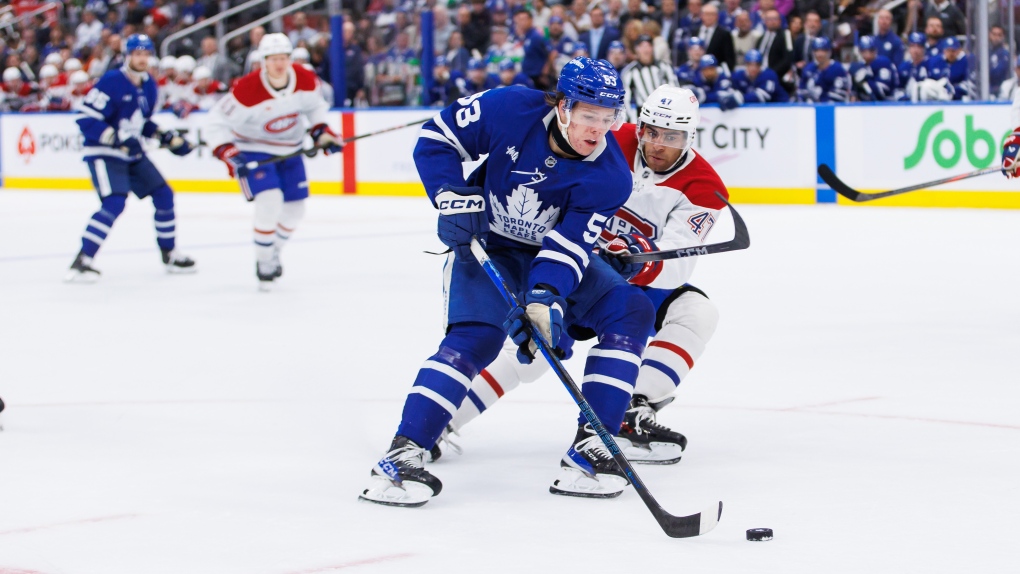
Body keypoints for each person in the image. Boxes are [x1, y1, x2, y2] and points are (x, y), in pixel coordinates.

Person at [359, 58, 655, 506]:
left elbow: (567, 248)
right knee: (475, 341)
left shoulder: (611, 175)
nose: (598, 129)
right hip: (489, 244)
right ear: (562, 106)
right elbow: (437, 138)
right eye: (588, 115)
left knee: (630, 311)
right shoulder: (508, 108)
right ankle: (405, 452)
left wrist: (545, 300)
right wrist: (451, 197)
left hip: (546, 254)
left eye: (608, 117)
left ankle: (595, 446)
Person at [444, 85, 727, 466]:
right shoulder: (608, 140)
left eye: (671, 137)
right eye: (651, 131)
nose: (657, 144)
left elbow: (677, 264)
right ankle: (441, 422)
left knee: (696, 311)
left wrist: (641, 262)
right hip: (572, 266)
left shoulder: (704, 187)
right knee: (533, 350)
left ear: (690, 137)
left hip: (635, 282)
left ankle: (631, 410)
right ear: (639, 125)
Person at [204, 33, 342, 288]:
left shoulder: (305, 79)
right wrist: (228, 152)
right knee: (270, 201)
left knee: (295, 209)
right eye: (273, 59)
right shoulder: (247, 89)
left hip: (290, 149)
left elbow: (315, 108)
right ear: (263, 61)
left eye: (283, 58)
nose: (279, 64)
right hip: (253, 149)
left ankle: (273, 251)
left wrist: (322, 132)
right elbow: (214, 124)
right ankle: (264, 260)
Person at [65, 34, 195, 282]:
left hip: (132, 154)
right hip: (104, 153)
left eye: (146, 54)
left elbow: (140, 123)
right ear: (127, 56)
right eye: (137, 54)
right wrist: (115, 138)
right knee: (114, 202)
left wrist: (165, 136)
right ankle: (83, 260)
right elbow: (86, 119)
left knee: (164, 194)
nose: (142, 59)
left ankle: (169, 254)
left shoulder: (149, 85)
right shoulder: (113, 80)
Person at [621, 35, 679, 121]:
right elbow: (625, 98)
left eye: (648, 46)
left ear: (652, 48)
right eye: (642, 46)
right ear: (637, 49)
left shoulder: (664, 67)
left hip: (665, 111)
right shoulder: (630, 71)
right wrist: (629, 118)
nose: (646, 49)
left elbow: (675, 89)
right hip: (642, 113)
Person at [798, 36, 848, 102]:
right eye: (816, 50)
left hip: (831, 108)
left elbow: (840, 95)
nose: (819, 54)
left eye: (823, 50)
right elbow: (802, 91)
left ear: (829, 52)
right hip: (811, 107)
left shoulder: (838, 69)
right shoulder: (808, 69)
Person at [849, 35, 897, 101]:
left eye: (871, 50)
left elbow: (883, 92)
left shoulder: (883, 63)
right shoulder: (858, 67)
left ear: (875, 50)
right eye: (864, 51)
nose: (868, 54)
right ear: (860, 52)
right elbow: (853, 93)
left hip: (887, 104)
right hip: (865, 105)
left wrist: (867, 80)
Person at [990, 26, 1011, 98]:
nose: (996, 37)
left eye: (999, 35)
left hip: (1001, 92)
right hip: (986, 90)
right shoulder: (984, 52)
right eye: (994, 34)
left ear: (1003, 37)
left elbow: (998, 73)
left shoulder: (1006, 54)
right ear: (989, 35)